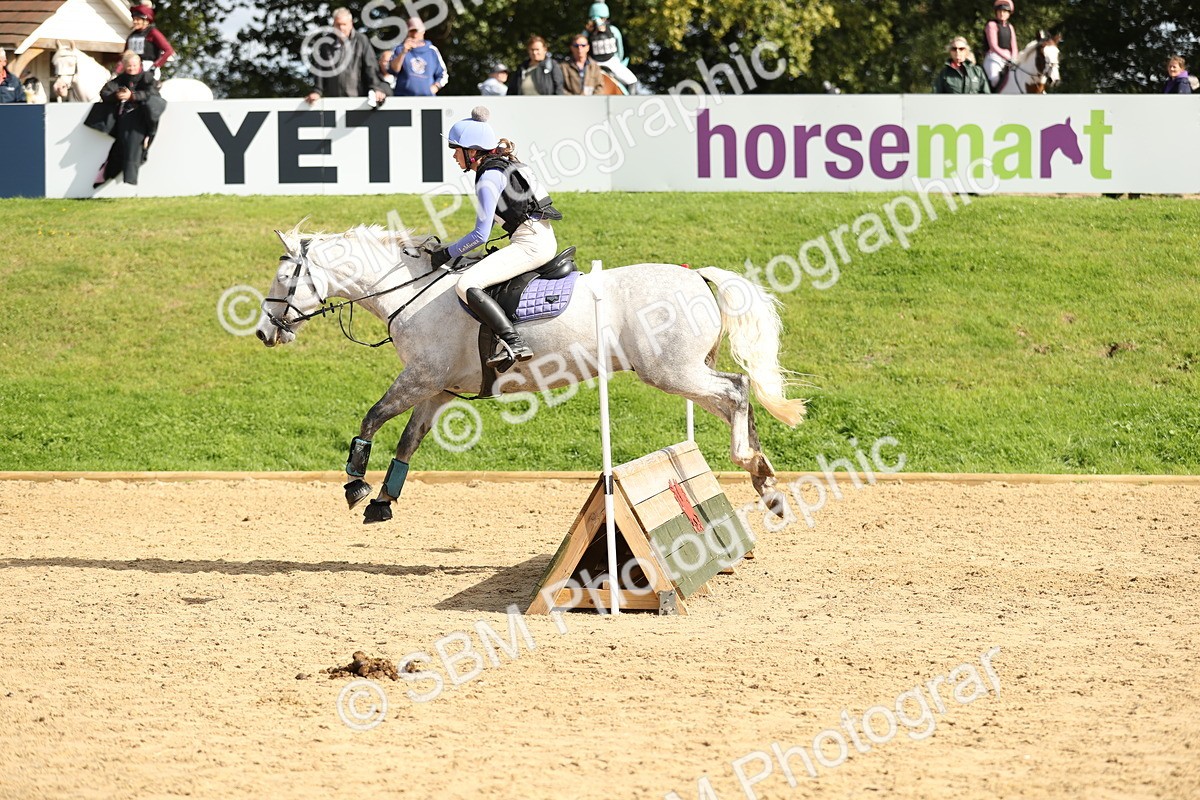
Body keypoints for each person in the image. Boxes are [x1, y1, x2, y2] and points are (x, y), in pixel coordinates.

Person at [430, 107, 563, 370]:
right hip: (537, 237)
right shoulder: (501, 166)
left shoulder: (488, 176)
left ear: (472, 150)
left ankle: (514, 342)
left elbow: (481, 234)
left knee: (467, 284)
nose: (455, 156)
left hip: (531, 243)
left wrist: (447, 253)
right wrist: (457, 250)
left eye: (457, 150)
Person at [86, 50, 163, 186]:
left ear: (139, 65)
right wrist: (116, 96)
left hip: (144, 119)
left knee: (134, 145)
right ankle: (108, 175)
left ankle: (130, 178)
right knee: (120, 149)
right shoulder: (120, 79)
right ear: (124, 65)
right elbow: (104, 93)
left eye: (134, 65)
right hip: (124, 120)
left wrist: (132, 96)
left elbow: (152, 93)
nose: (131, 68)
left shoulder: (148, 78)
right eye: (129, 66)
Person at [304, 8, 388, 106]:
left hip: (358, 101)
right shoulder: (325, 44)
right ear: (333, 25)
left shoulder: (361, 41)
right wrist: (317, 91)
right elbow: (320, 70)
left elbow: (371, 67)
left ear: (351, 24)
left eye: (344, 24)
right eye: (338, 25)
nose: (341, 28)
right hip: (334, 101)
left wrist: (376, 88)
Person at [585, 2, 637, 93]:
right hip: (611, 63)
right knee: (632, 81)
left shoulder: (586, 32)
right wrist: (619, 61)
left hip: (592, 65)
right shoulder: (613, 30)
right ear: (605, 16)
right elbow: (620, 50)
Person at [389, 16, 448, 96]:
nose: (414, 34)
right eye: (411, 31)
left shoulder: (432, 51)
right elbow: (393, 70)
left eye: (416, 30)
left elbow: (443, 74)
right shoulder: (399, 49)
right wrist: (403, 52)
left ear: (423, 31)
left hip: (427, 102)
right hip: (403, 100)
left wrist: (435, 88)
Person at [124, 5, 174, 81]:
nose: (134, 22)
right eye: (134, 19)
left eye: (137, 19)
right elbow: (125, 56)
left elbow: (169, 50)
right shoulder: (132, 36)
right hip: (132, 70)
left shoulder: (153, 33)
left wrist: (155, 66)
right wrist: (116, 72)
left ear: (146, 21)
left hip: (149, 69)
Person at [982, 0, 1019, 90]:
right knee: (994, 79)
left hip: (1010, 59)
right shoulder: (991, 25)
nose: (1002, 13)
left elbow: (1014, 46)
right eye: (1000, 11)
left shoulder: (1010, 27)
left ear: (1009, 13)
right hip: (994, 58)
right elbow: (993, 46)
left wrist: (1014, 58)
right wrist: (1008, 58)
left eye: (1005, 11)